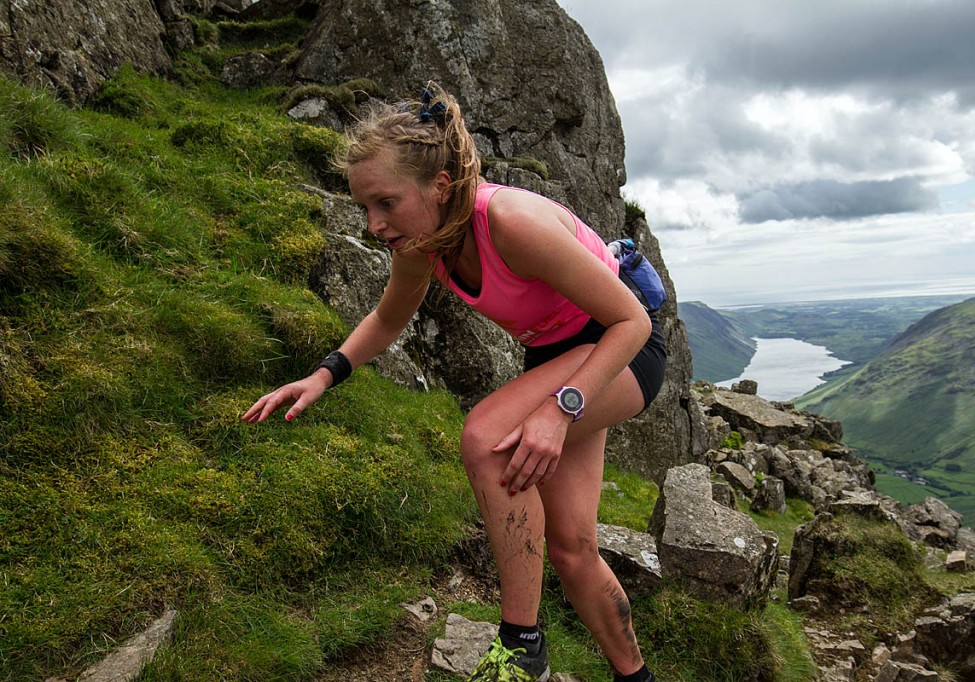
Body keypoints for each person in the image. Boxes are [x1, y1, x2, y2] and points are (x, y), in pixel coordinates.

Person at [242, 86, 665, 682]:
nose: (374, 224)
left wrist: (559, 410)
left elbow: (633, 322)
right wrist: (321, 376)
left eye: (386, 203)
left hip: (623, 347)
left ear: (439, 187)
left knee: (488, 437)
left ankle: (521, 649)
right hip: (562, 357)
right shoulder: (423, 241)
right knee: (573, 549)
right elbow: (389, 318)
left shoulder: (511, 223)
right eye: (366, 208)